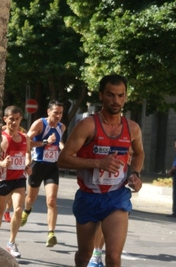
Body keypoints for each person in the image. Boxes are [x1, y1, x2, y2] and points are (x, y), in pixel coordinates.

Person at [57, 74, 144, 267]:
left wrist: (135, 174)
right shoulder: (88, 125)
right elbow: (62, 160)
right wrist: (97, 163)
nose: (116, 100)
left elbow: (138, 154)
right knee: (84, 255)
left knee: (113, 257)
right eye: (111, 95)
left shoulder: (133, 129)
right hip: (88, 196)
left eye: (121, 96)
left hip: (116, 196)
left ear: (126, 97)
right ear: (101, 96)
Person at [21, 100, 66, 247]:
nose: (58, 115)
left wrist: (63, 148)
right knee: (30, 198)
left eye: (60, 113)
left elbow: (59, 142)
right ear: (48, 112)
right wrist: (45, 142)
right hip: (37, 165)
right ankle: (27, 210)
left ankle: (51, 233)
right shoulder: (40, 124)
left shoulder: (62, 127)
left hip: (52, 167)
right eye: (55, 112)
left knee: (51, 200)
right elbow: (25, 142)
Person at [0, 106, 32, 258]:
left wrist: (28, 165)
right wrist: (1, 164)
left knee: (17, 210)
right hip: (3, 179)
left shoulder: (24, 138)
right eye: (11, 119)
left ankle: (11, 242)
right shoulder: (1, 138)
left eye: (17, 119)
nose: (14, 122)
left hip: (19, 179)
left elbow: (27, 154)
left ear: (21, 119)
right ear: (5, 119)